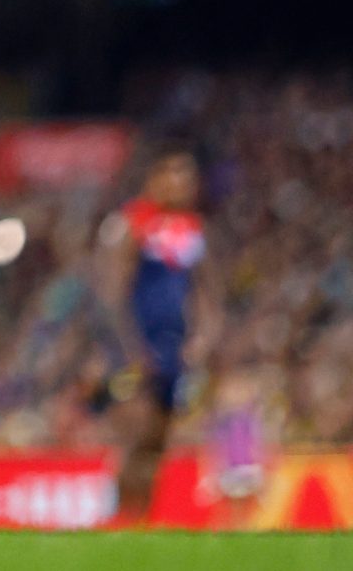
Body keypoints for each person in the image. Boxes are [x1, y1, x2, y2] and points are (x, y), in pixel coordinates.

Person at [99, 146, 211, 523]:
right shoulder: (132, 223)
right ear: (155, 178)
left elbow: (205, 293)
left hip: (174, 348)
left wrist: (202, 339)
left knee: (157, 444)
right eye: (176, 173)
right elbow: (113, 295)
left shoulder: (192, 231)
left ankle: (141, 532)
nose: (185, 183)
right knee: (136, 437)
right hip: (140, 347)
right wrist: (131, 352)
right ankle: (115, 523)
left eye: (189, 175)